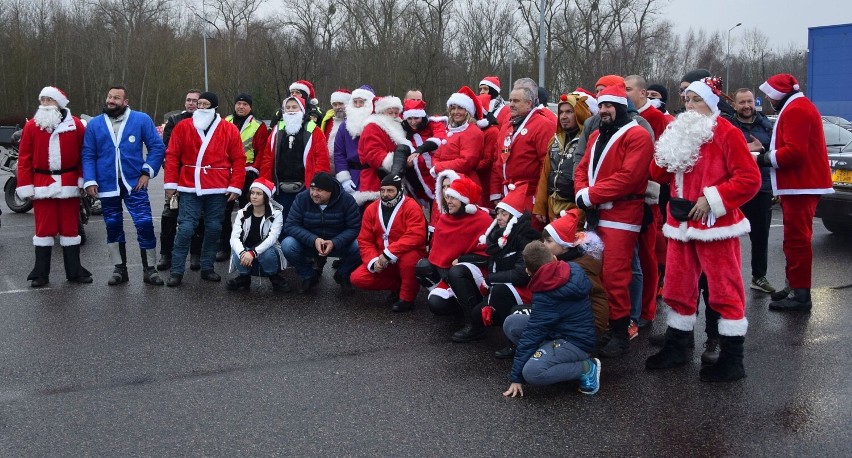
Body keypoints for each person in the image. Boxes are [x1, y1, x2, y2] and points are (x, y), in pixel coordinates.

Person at [647, 77, 761, 382]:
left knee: (725, 289)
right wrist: (668, 147)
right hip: (680, 223)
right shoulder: (680, 133)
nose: (689, 106)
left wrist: (712, 200)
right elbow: (657, 173)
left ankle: (732, 359)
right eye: (686, 100)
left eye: (696, 100)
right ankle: (676, 348)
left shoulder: (727, 133)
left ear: (710, 103)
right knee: (677, 287)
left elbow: (749, 179)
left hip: (715, 225)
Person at [573, 83, 655, 358]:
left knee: (616, 274)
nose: (605, 110)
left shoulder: (638, 135)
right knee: (594, 271)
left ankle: (621, 330)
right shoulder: (596, 135)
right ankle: (604, 324)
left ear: (622, 107)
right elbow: (582, 168)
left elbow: (629, 177)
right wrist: (583, 193)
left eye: (610, 105)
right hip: (596, 213)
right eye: (602, 105)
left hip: (622, 214)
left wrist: (590, 195)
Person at [758, 73, 834, 312]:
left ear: (780, 93)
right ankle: (795, 286)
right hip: (799, 185)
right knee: (793, 240)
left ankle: (802, 295)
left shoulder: (797, 110)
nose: (769, 98)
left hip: (802, 185)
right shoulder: (798, 106)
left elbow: (794, 153)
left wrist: (763, 158)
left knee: (797, 241)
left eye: (770, 93)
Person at [82, 85, 166, 286]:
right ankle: (119, 269)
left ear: (125, 102)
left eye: (116, 98)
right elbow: (88, 154)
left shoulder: (141, 119)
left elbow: (157, 147)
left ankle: (150, 269)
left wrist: (147, 172)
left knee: (144, 224)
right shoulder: (95, 124)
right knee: (112, 226)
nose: (111, 101)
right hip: (107, 184)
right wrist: (90, 180)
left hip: (134, 183)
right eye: (109, 97)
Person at [163, 91, 246, 286]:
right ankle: (176, 270)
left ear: (214, 107)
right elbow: (173, 155)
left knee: (214, 228)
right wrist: (170, 184)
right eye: (198, 103)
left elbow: (239, 159)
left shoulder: (228, 129)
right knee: (186, 228)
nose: (200, 107)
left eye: (205, 104)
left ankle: (207, 267)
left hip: (218, 187)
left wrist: (235, 185)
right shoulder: (183, 126)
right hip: (189, 185)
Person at [501, 241, 599, 398]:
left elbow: (531, 335)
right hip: (563, 330)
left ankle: (587, 367)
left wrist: (516, 378)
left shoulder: (545, 294)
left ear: (528, 271)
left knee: (532, 373)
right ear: (554, 258)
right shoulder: (572, 268)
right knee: (512, 323)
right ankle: (549, 356)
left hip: (576, 342)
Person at [16, 86, 92, 287]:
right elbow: (24, 159)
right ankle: (40, 273)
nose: (45, 104)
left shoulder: (75, 125)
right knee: (43, 230)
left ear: (59, 103)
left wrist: (84, 179)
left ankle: (74, 271)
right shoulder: (32, 126)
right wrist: (25, 185)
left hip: (69, 183)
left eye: (49, 100)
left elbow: (86, 154)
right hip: (42, 185)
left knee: (70, 229)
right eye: (43, 100)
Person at [414, 171, 493, 341]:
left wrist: (463, 260)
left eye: (453, 197)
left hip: (479, 276)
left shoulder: (483, 220)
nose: (448, 201)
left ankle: (475, 324)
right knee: (434, 298)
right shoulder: (444, 219)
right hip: (452, 275)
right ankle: (462, 308)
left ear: (465, 200)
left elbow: (489, 256)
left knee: (457, 271)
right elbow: (438, 256)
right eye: (447, 196)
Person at [470, 183, 540, 355]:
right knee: (476, 314)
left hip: (527, 291)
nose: (499, 217)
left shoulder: (525, 238)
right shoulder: (499, 235)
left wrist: (491, 279)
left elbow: (522, 274)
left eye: (504, 213)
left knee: (500, 291)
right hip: (506, 287)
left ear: (514, 217)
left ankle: (514, 342)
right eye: (498, 213)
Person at [350, 174, 427, 312]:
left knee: (409, 259)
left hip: (405, 254)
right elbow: (365, 240)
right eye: (383, 190)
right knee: (357, 278)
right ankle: (399, 285)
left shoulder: (411, 206)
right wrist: (373, 261)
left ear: (399, 190)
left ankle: (406, 298)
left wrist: (389, 253)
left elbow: (416, 235)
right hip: (382, 256)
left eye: (390, 190)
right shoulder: (372, 209)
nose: (385, 194)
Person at [725, 88, 776, 294]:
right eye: (742, 102)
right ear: (734, 105)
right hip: (735, 188)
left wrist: (762, 150)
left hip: (762, 187)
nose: (746, 106)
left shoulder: (766, 125)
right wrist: (749, 148)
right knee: (729, 235)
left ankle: (759, 277)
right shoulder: (728, 125)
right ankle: (728, 277)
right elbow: (723, 151)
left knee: (761, 235)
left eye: (749, 102)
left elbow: (777, 152)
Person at [415, 86, 487, 225]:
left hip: (464, 183)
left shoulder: (473, 132)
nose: (455, 112)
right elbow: (438, 154)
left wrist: (439, 168)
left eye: (460, 108)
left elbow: (467, 161)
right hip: (446, 183)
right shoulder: (451, 130)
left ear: (468, 111)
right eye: (453, 108)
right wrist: (437, 166)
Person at [281, 172, 361, 293]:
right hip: (310, 243)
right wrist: (314, 240)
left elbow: (355, 228)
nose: (314, 193)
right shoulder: (302, 198)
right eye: (312, 189)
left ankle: (343, 274)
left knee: (360, 245)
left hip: (338, 243)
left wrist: (334, 242)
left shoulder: (347, 200)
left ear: (330, 191)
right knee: (287, 244)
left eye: (319, 190)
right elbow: (291, 225)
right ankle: (308, 275)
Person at [257, 94, 330, 223]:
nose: (291, 110)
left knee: (304, 221)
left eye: (294, 107)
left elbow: (322, 159)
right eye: (288, 107)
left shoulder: (314, 131)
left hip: (305, 188)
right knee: (280, 222)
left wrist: (319, 185)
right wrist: (265, 183)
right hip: (280, 188)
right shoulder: (276, 131)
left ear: (302, 110)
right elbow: (267, 159)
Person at [542, 209, 609, 340]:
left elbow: (561, 299)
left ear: (564, 246)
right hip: (576, 320)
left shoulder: (575, 267)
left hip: (587, 328)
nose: (544, 245)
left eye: (549, 241)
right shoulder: (565, 259)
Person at [218, 92, 270, 261]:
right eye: (238, 104)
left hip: (248, 173)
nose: (241, 107)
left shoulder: (258, 125)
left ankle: (247, 246)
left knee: (247, 211)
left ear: (250, 107)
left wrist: (255, 170)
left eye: (245, 104)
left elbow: (262, 151)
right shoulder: (225, 121)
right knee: (224, 212)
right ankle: (224, 246)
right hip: (227, 172)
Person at [157, 89, 204, 271]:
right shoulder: (174, 120)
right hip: (176, 179)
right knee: (169, 216)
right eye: (188, 100)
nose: (191, 103)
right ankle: (165, 255)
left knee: (198, 218)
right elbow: (168, 150)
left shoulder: (209, 122)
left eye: (195, 101)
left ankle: (195, 255)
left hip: (197, 180)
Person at [490, 79, 555, 210]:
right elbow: (498, 161)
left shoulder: (543, 124)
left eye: (516, 101)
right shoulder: (508, 125)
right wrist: (496, 193)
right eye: (511, 100)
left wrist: (539, 199)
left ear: (528, 103)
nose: (511, 105)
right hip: (507, 194)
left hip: (529, 196)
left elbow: (547, 165)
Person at [533, 93, 592, 223]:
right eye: (561, 112)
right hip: (552, 207)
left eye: (569, 112)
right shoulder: (554, 140)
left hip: (576, 208)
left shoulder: (589, 140)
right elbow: (545, 175)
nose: (564, 116)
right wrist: (540, 206)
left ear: (579, 113)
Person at [225, 178, 289, 292]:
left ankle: (273, 277)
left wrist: (252, 252)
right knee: (237, 249)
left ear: (266, 196)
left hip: (266, 252)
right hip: (247, 252)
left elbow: (272, 238)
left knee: (267, 253)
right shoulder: (242, 213)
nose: (254, 197)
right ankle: (244, 278)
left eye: (259, 194)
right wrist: (243, 252)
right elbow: (234, 237)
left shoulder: (276, 214)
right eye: (252, 193)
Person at [357, 95, 411, 204]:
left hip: (395, 181)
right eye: (390, 113)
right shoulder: (372, 127)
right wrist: (399, 163)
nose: (394, 116)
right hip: (375, 181)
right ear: (381, 112)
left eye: (396, 113)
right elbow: (373, 155)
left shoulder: (399, 128)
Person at [334, 85, 375, 201]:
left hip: (373, 175)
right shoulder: (344, 127)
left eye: (361, 102)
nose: (357, 106)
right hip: (352, 175)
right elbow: (339, 153)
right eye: (355, 102)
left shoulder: (378, 124)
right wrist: (344, 178)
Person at [320, 88, 350, 169]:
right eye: (335, 104)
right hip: (328, 166)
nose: (337, 107)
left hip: (347, 166)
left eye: (341, 104)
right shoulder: (328, 121)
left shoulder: (353, 122)